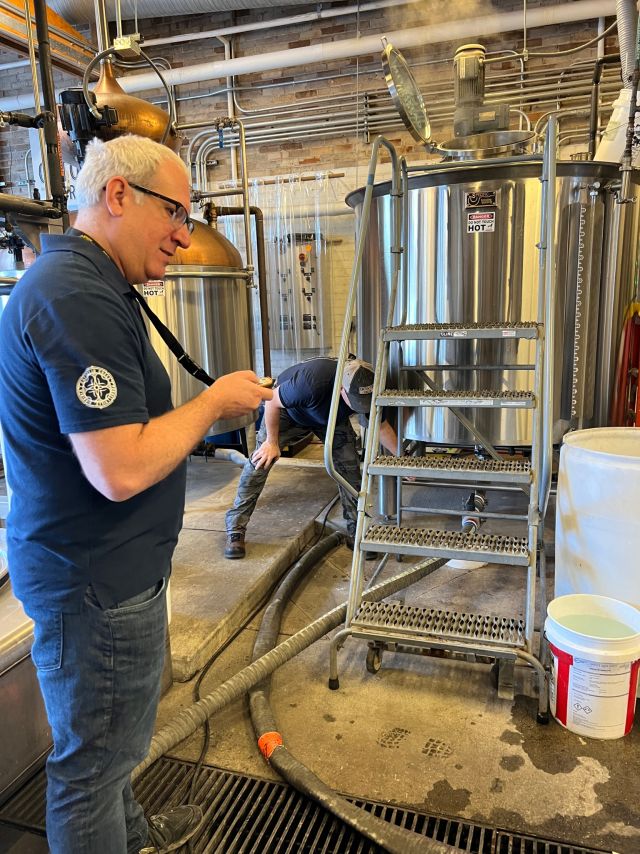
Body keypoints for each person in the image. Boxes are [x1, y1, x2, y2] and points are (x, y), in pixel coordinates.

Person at [0, 134, 272, 854]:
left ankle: (134, 839)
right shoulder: (75, 295)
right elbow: (118, 468)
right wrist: (213, 403)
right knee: (91, 769)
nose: (185, 235)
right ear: (118, 195)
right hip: (95, 585)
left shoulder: (94, 286)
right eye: (175, 213)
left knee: (113, 751)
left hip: (107, 574)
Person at [224, 356, 397, 559]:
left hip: (330, 419)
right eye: (356, 402)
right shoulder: (311, 381)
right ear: (341, 389)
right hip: (287, 412)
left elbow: (381, 426)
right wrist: (271, 442)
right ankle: (236, 527)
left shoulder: (365, 385)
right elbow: (272, 401)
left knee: (349, 469)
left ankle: (357, 531)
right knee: (260, 462)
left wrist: (402, 459)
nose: (360, 408)